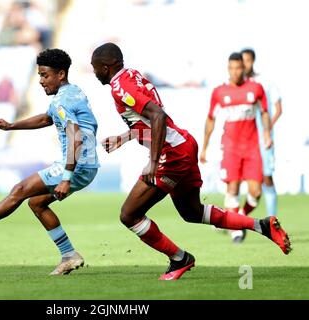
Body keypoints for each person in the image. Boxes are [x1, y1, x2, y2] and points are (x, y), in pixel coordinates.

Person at [90, 43, 291, 281]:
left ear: (106, 67)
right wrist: (124, 137)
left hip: (171, 152)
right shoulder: (132, 76)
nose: (94, 73)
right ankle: (263, 226)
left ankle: (179, 258)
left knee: (129, 215)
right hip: (183, 143)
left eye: (95, 68)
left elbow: (158, 116)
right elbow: (148, 117)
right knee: (192, 212)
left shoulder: (119, 87)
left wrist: (153, 163)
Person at [0, 48, 100, 276]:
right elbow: (48, 118)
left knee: (19, 190)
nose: (40, 81)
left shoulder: (61, 102)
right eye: (39, 75)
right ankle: (69, 255)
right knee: (36, 202)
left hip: (76, 164)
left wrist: (66, 178)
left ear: (61, 74)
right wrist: (11, 125)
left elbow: (74, 135)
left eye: (45, 75)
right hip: (87, 164)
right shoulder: (74, 93)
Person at [200, 52, 273, 243]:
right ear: (228, 69)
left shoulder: (256, 89)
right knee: (232, 188)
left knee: (256, 192)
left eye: (238, 68)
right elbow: (210, 119)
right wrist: (205, 147)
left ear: (244, 67)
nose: (235, 72)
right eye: (231, 68)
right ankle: (237, 229)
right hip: (230, 147)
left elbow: (265, 113)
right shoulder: (219, 92)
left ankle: (239, 214)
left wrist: (266, 133)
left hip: (251, 147)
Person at [241, 48, 282, 218]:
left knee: (266, 178)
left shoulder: (265, 82)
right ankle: (237, 220)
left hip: (263, 139)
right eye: (242, 61)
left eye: (248, 60)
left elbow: (278, 109)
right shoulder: (237, 85)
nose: (245, 64)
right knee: (243, 182)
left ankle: (272, 220)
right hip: (244, 140)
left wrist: (267, 130)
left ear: (253, 61)